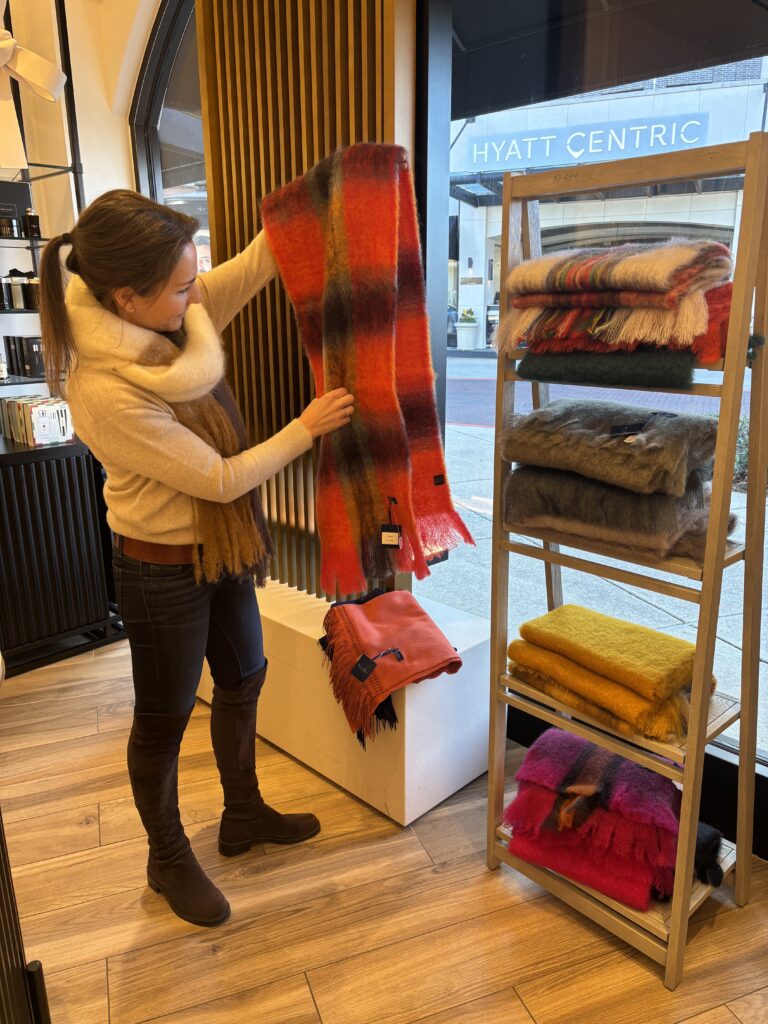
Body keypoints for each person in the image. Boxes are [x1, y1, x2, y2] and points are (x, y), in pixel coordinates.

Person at [39, 190, 354, 928]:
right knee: (164, 718)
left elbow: (249, 269)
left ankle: (242, 815)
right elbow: (218, 478)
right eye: (183, 287)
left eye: (192, 279)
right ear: (128, 298)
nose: (196, 295)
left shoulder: (169, 313)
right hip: (158, 572)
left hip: (221, 550)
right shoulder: (102, 387)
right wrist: (305, 428)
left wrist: (313, 198)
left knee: (244, 678)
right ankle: (167, 857)